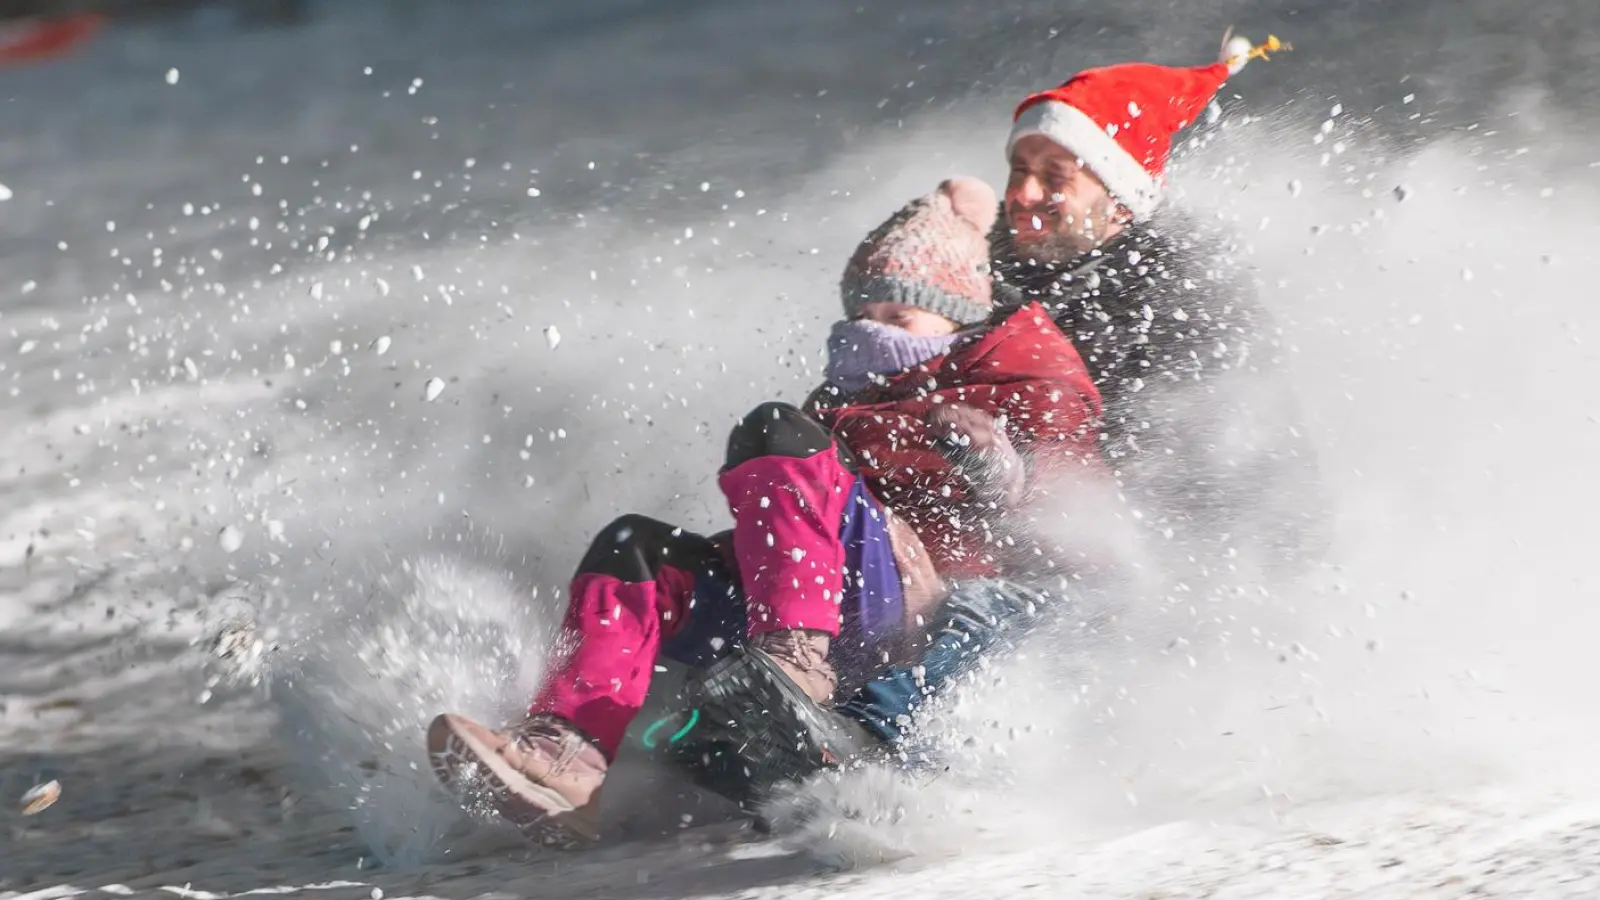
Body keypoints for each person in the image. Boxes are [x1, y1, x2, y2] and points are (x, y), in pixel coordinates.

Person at [425, 177, 1108, 847]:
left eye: (898, 317)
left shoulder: (1018, 377)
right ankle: (567, 752)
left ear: (957, 317)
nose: (872, 331)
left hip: (918, 615)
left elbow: (1070, 503)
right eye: (863, 314)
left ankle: (794, 668)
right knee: (635, 547)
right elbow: (796, 525)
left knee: (773, 428)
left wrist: (1001, 467)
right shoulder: (842, 401)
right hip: (822, 609)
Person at [986, 34, 1327, 573]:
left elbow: (1208, 479)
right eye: (1019, 171)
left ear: (1120, 203)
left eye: (1054, 178)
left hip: (1195, 570)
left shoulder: (1183, 299)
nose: (1023, 194)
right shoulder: (972, 267)